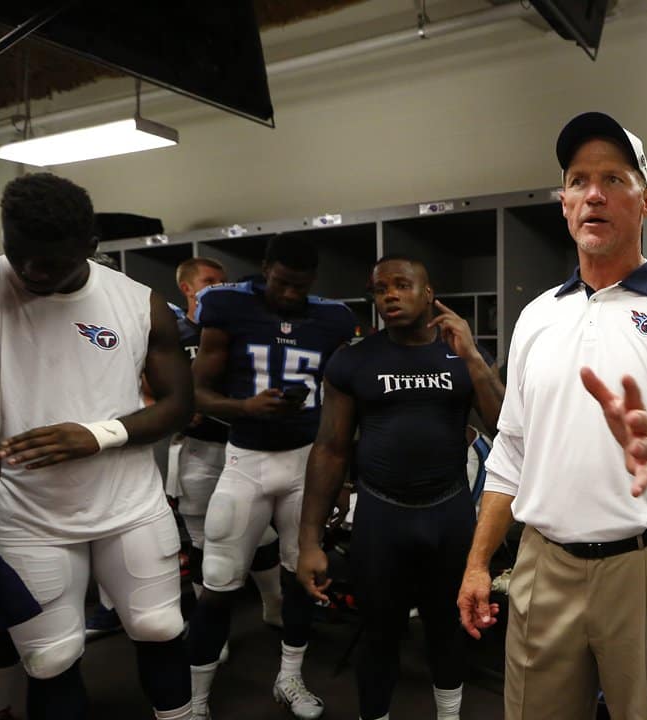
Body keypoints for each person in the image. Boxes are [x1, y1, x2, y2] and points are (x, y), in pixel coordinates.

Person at [456, 111, 647, 720]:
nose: (594, 193)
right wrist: (479, 562)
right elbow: (510, 451)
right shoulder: (537, 315)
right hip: (542, 561)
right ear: (564, 202)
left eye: (615, 179)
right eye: (580, 179)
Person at [0, 173, 195, 719]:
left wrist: (97, 435)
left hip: (128, 504)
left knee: (159, 626)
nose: (30, 272)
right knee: (52, 659)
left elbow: (178, 406)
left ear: (89, 248)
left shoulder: (139, 303)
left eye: (50, 262)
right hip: (26, 514)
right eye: (19, 254)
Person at [297, 256, 505, 720]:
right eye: (379, 289)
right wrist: (309, 540)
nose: (389, 295)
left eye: (401, 285)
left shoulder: (463, 353)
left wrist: (472, 356)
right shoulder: (354, 360)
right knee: (379, 633)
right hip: (382, 517)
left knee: (448, 628)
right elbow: (330, 449)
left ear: (428, 293)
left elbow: (503, 424)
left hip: (448, 513)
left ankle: (448, 715)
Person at [186, 237, 356, 720]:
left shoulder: (332, 318)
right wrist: (244, 408)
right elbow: (197, 393)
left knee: (299, 579)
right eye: (280, 283)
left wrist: (341, 476)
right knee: (217, 582)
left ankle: (290, 677)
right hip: (246, 461)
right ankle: (195, 701)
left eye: (298, 287)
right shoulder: (227, 304)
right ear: (264, 269)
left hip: (306, 463)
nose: (287, 294)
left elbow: (344, 402)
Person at [169, 257, 284, 636]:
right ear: (187, 287)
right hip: (198, 451)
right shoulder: (173, 333)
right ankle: (212, 632)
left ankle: (274, 606)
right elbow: (147, 387)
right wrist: (177, 412)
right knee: (205, 541)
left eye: (223, 281)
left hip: (241, 446)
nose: (219, 287)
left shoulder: (237, 329)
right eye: (209, 280)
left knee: (262, 532)